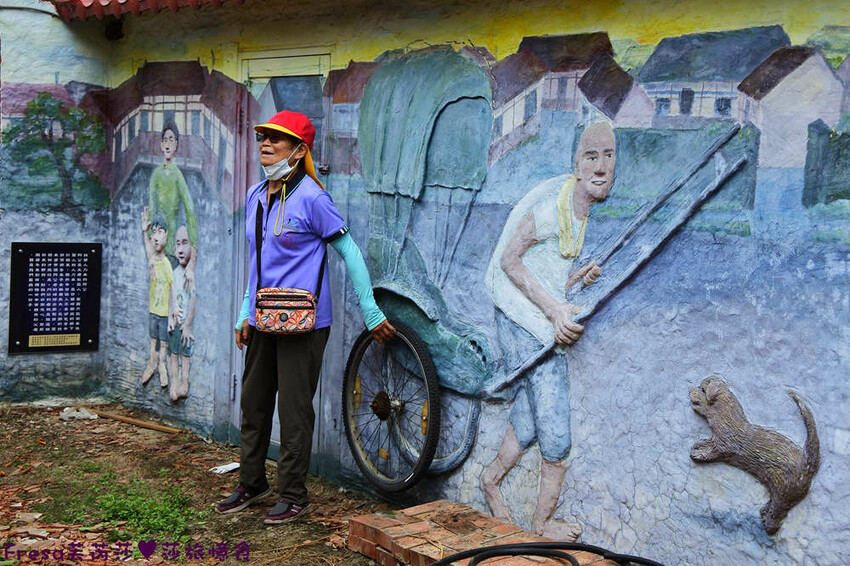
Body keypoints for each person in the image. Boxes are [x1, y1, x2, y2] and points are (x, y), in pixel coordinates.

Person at [216, 110, 395, 524]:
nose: (265, 144)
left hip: (305, 321)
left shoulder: (313, 198)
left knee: (294, 410)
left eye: (276, 140)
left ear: (299, 151)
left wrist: (370, 311)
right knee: (254, 402)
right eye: (263, 137)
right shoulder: (255, 194)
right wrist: (246, 312)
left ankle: (294, 495)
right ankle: (251, 482)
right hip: (264, 318)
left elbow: (349, 252)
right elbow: (257, 260)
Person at [482, 122, 616, 541]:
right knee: (556, 425)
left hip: (533, 309)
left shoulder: (580, 207)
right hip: (519, 314)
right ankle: (541, 526)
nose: (600, 167)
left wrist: (575, 280)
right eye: (590, 157)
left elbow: (546, 268)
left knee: (530, 414)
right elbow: (510, 262)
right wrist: (556, 310)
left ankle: (490, 480)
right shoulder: (552, 208)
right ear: (576, 164)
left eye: (608, 156)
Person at [148, 122, 198, 287]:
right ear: (161, 144)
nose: (168, 144)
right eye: (165, 140)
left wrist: (192, 254)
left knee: (175, 297)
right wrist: (151, 252)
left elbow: (190, 211)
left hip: (173, 250)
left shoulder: (177, 175)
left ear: (176, 144)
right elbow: (151, 209)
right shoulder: (156, 175)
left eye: (171, 140)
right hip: (158, 248)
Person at [141, 209, 173, 388]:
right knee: (153, 339)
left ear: (166, 236)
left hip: (164, 313)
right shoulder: (152, 259)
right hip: (153, 309)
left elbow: (172, 288)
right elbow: (148, 248)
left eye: (159, 232)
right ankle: (152, 363)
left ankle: (161, 366)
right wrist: (144, 230)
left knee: (163, 344)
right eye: (154, 232)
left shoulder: (167, 264)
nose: (155, 237)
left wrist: (172, 312)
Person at [167, 225, 195, 401]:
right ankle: (173, 383)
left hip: (184, 325)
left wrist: (188, 325)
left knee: (185, 356)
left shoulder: (189, 276)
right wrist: (171, 315)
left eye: (185, 243)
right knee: (173, 355)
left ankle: (184, 383)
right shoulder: (174, 273)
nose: (180, 249)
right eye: (178, 244)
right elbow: (170, 296)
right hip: (175, 323)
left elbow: (193, 299)